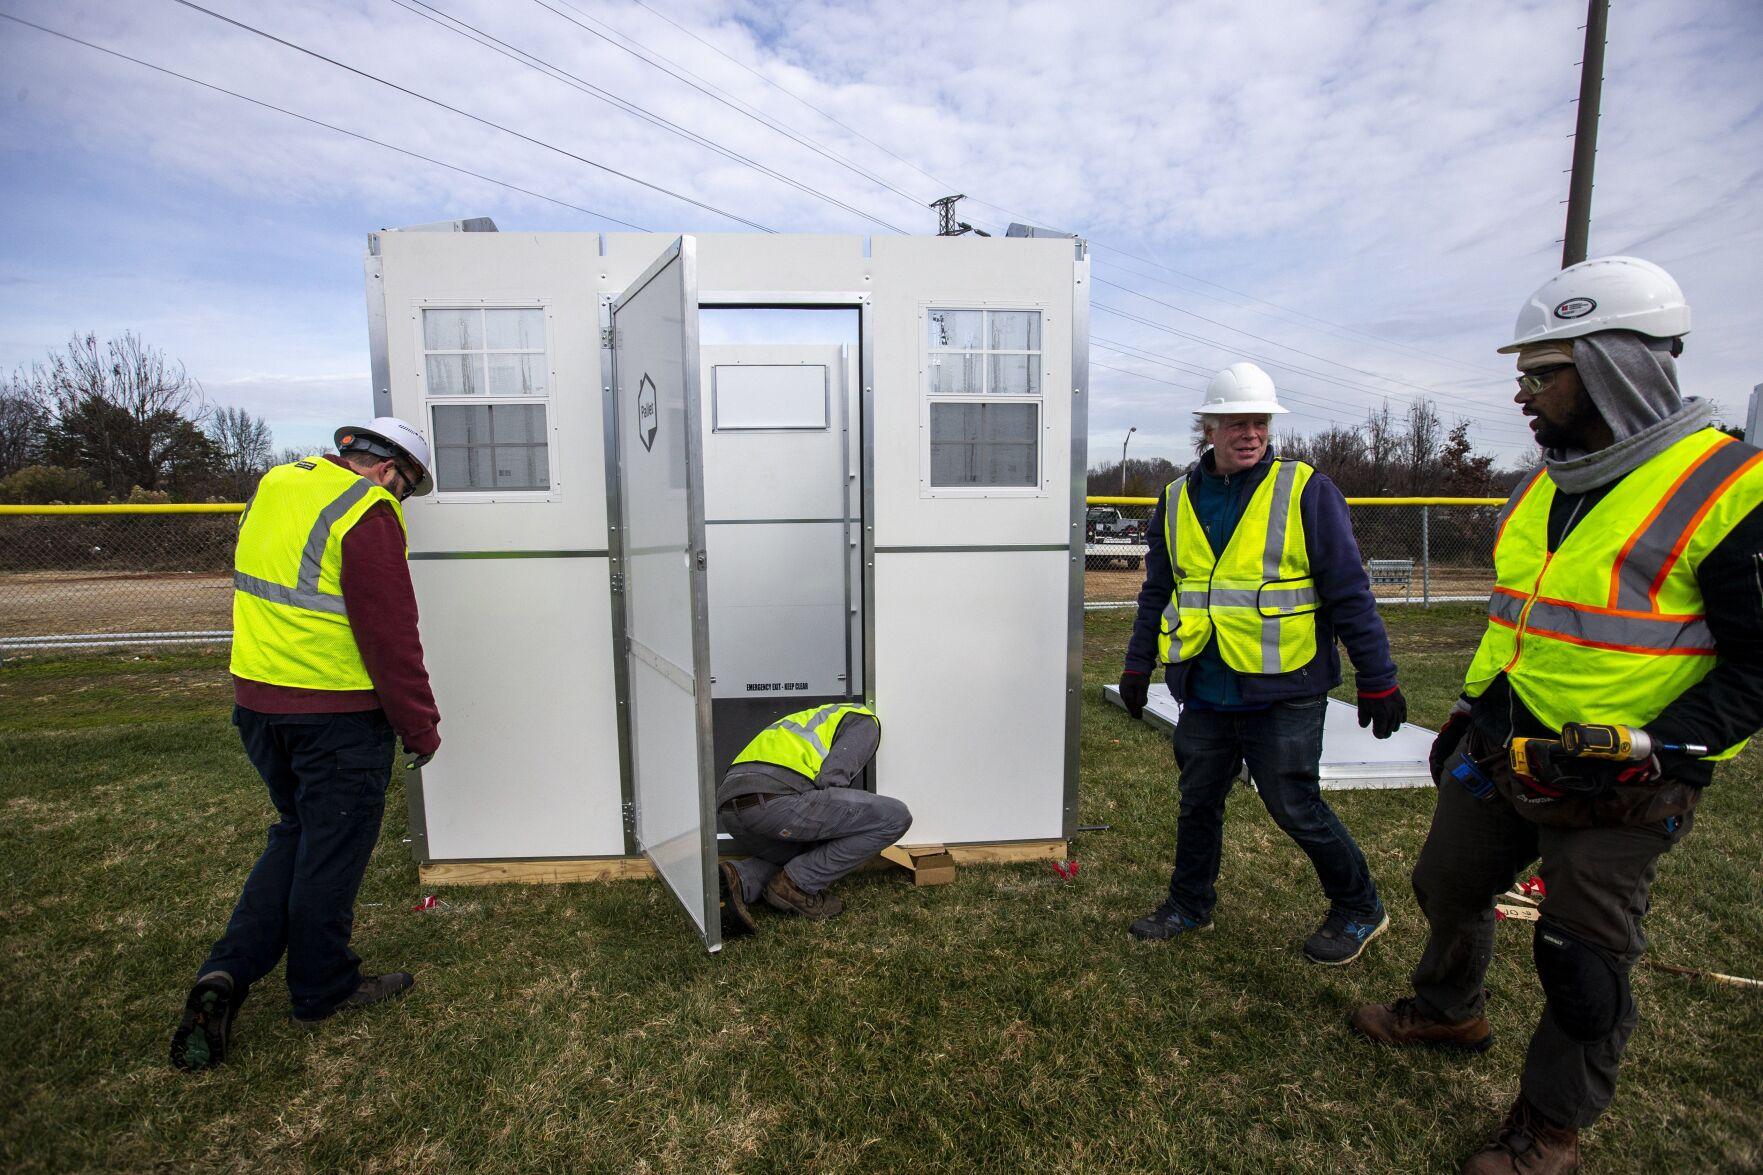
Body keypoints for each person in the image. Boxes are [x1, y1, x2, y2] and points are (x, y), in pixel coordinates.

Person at [1350, 257, 1763, 1174]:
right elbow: (1516, 617)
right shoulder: (1543, 484)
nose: (1522, 393)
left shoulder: (1732, 487)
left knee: (1581, 956)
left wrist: (1659, 745)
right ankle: (1449, 1010)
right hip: (1509, 744)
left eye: (1542, 373)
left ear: (1616, 365)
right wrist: (1469, 710)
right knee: (1445, 883)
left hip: (1625, 779)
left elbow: (1756, 665)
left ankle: (1548, 1127)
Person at [170, 417, 442, 1072]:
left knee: (298, 833)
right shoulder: (366, 509)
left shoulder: (276, 483)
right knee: (332, 852)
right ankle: (323, 987)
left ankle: (226, 971)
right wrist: (419, 725)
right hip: (336, 715)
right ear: (388, 469)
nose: (400, 498)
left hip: (259, 704)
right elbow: (390, 632)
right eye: (406, 487)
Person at [1118, 362, 1407, 965]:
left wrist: (1378, 679)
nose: (1251, 434)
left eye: (1260, 423)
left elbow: (1349, 591)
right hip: (1205, 683)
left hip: (1286, 685)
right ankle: (1189, 904)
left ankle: (1359, 907)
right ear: (1209, 429)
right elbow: (1158, 591)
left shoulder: (1306, 490)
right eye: (1236, 423)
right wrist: (1138, 665)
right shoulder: (1174, 499)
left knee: (1293, 803)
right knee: (1198, 799)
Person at [715, 703, 910, 929]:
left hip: (732, 811)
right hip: (776, 801)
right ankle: (796, 885)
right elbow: (832, 779)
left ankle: (740, 877)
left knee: (810, 854)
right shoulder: (865, 720)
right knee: (896, 817)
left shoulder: (812, 719)